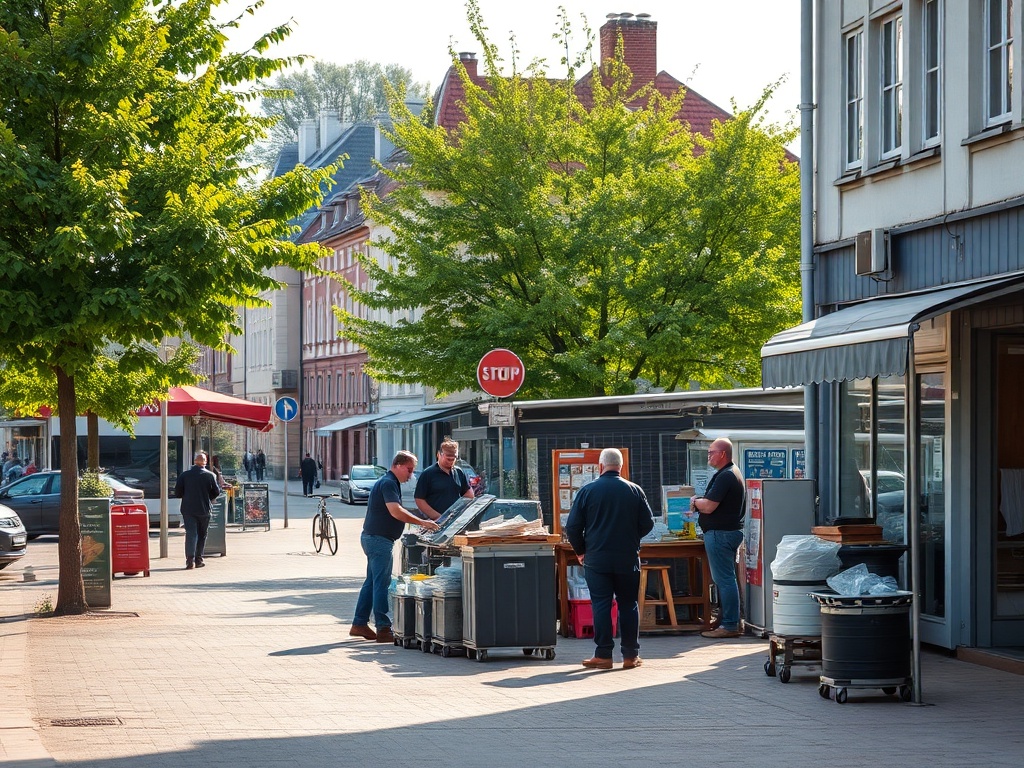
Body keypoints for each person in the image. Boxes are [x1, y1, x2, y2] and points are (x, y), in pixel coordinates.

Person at [564, 447, 655, 670]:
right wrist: (631, 538)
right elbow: (648, 523)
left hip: (597, 558)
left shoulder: (587, 491)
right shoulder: (635, 490)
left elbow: (573, 526)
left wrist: (581, 551)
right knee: (628, 604)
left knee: (602, 604)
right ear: (621, 467)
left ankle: (603, 655)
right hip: (627, 557)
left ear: (600, 466)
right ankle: (630, 656)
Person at [349, 451, 440, 644]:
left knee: (372, 582)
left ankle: (359, 624)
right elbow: (396, 511)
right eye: (409, 469)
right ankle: (383, 628)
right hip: (379, 540)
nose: (411, 475)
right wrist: (423, 523)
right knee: (381, 584)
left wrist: (420, 520)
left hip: (374, 538)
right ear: (397, 465)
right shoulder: (389, 482)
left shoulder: (389, 482)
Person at [692, 437, 747, 639]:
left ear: (722, 454)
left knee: (724, 580)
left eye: (711, 452)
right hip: (727, 533)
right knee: (725, 579)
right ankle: (727, 619)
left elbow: (709, 506)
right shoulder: (731, 473)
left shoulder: (726, 476)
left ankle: (731, 624)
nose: (708, 455)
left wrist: (695, 502)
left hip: (721, 534)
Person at [173, 451, 221, 570]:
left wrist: (187, 495)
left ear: (194, 462)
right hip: (204, 509)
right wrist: (207, 498)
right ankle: (198, 559)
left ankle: (189, 560)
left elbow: (178, 493)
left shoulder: (184, 475)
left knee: (191, 534)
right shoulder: (210, 476)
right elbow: (216, 492)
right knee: (202, 535)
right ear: (205, 462)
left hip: (188, 509)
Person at [414, 438, 474, 521]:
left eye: (453, 459)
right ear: (439, 455)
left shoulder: (459, 472)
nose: (450, 462)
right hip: (434, 521)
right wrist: (438, 517)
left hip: (454, 520)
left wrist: (461, 511)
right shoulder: (428, 473)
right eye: (448, 459)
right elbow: (419, 499)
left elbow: (469, 494)